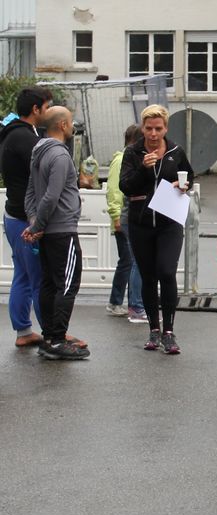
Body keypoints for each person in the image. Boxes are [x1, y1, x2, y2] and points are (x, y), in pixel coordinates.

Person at [119, 104, 194, 354]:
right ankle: (154, 329)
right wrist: (143, 168)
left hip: (169, 221)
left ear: (166, 128)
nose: (153, 134)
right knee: (148, 276)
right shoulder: (133, 152)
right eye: (149, 128)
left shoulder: (175, 151)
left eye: (158, 129)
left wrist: (183, 185)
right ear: (142, 128)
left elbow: (189, 176)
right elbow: (125, 186)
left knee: (167, 271)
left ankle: (169, 331)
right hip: (141, 223)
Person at [23, 106, 89, 360]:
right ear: (62, 125)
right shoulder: (60, 155)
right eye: (70, 122)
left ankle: (49, 338)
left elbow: (31, 193)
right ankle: (58, 340)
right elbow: (51, 196)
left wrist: (35, 223)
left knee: (49, 284)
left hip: (49, 232)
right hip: (63, 230)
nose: (72, 126)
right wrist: (36, 226)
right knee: (67, 285)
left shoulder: (38, 152)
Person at [1, 87, 51, 348]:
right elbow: (44, 174)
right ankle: (52, 334)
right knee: (39, 278)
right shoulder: (25, 138)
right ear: (35, 109)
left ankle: (23, 331)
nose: (48, 111)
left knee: (22, 275)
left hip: (13, 214)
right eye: (47, 106)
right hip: (25, 218)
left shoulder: (15, 134)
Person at [106, 124, 146, 323]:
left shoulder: (128, 158)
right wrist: (116, 217)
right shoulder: (122, 160)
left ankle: (118, 302)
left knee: (127, 262)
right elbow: (114, 191)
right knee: (130, 261)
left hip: (126, 217)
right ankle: (123, 303)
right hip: (124, 218)